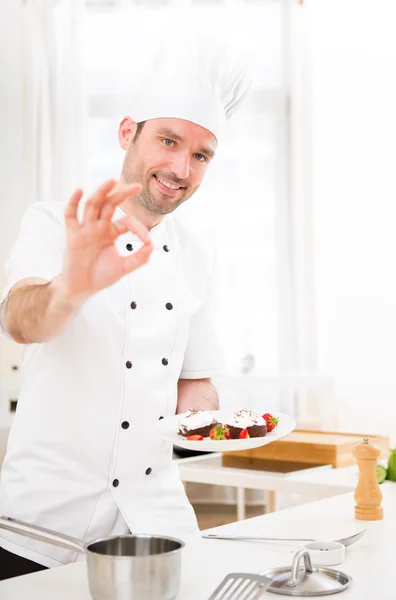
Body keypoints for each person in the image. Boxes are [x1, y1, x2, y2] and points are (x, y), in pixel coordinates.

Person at [0, 36, 250, 579]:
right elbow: (20, 320)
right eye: (168, 140)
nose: (181, 167)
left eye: (201, 155)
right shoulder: (54, 222)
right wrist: (73, 285)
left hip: (156, 524)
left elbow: (195, 381)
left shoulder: (196, 255)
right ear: (126, 133)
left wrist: (206, 418)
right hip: (44, 528)